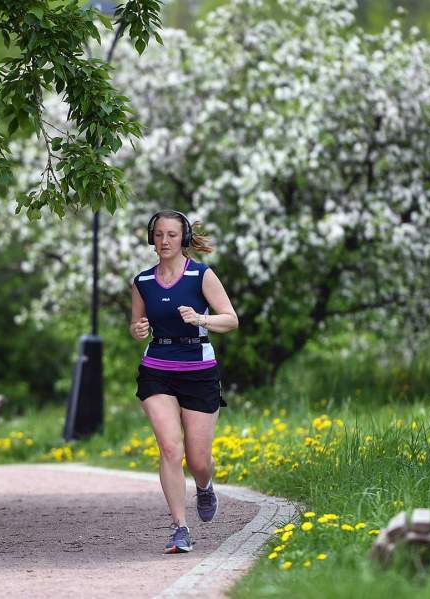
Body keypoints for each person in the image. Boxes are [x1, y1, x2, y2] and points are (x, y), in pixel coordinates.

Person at [129, 210, 239, 554]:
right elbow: (137, 325)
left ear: (184, 239)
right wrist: (137, 330)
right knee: (169, 448)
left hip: (198, 370)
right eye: (159, 234)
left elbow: (231, 320)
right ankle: (180, 527)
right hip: (157, 369)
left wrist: (201, 318)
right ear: (151, 238)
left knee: (198, 459)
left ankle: (204, 487)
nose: (164, 241)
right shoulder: (142, 282)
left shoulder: (201, 276)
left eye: (172, 235)